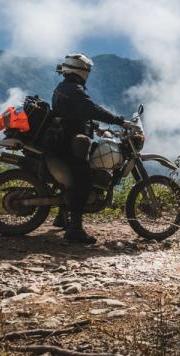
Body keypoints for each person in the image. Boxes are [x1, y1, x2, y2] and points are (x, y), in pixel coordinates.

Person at [52, 53, 125, 244]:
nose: (88, 73)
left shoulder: (64, 87)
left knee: (74, 177)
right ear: (81, 71)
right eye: (87, 70)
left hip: (62, 138)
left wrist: (95, 128)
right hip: (67, 142)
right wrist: (118, 121)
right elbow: (92, 109)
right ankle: (75, 229)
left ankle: (62, 217)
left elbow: (74, 114)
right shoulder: (75, 90)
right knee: (83, 179)